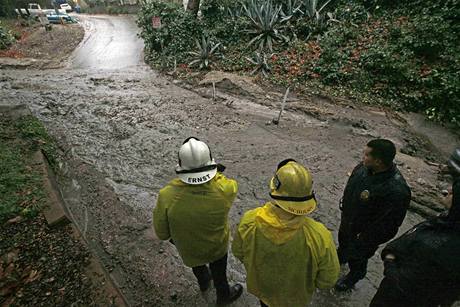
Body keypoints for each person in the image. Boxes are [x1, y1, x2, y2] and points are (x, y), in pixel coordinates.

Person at [232, 159, 340, 307]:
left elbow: (238, 252)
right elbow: (327, 279)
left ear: (274, 189)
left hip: (263, 289)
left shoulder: (250, 220)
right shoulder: (319, 235)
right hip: (296, 299)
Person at [153, 137, 243, 305]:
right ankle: (223, 296)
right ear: (211, 164)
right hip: (217, 247)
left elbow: (162, 233)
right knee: (220, 273)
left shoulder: (167, 195)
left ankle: (203, 282)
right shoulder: (225, 189)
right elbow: (229, 183)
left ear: (181, 165)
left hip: (188, 248)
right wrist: (216, 173)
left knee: (198, 267)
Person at [370, 148, 460, 307]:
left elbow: (419, 285)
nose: (449, 190)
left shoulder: (448, 246)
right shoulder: (445, 221)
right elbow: (413, 236)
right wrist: (392, 253)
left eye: (456, 191)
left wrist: (391, 267)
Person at [335, 139, 411, 291]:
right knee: (343, 247)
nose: (363, 156)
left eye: (367, 155)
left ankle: (354, 276)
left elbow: (389, 226)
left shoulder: (396, 191)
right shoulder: (362, 169)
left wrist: (365, 239)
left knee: (357, 259)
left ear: (378, 161)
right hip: (348, 223)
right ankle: (339, 259)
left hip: (364, 238)